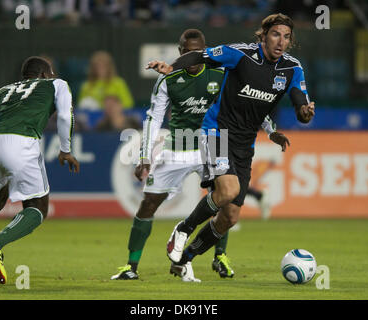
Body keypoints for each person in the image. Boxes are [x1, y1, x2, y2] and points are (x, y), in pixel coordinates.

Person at [111, 29, 290, 282]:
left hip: (216, 141)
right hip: (179, 147)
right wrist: (144, 157)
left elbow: (251, 104)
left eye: (196, 52)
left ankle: (220, 256)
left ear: (204, 52)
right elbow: (154, 118)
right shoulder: (168, 79)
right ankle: (131, 266)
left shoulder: (221, 72)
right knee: (149, 202)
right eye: (186, 53)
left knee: (225, 201)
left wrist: (271, 130)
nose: (191, 57)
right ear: (180, 53)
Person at [147, 13, 315, 281]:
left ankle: (185, 258)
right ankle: (183, 228)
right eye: (275, 34)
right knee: (229, 190)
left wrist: (305, 112)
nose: (280, 41)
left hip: (245, 143)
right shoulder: (240, 54)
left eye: (286, 37)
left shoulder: (292, 69)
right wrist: (172, 67)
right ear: (263, 35)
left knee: (230, 218)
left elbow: (300, 107)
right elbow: (198, 57)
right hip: (217, 130)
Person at [0, 56, 80, 287]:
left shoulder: (2, 92)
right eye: (50, 73)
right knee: (38, 207)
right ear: (44, 74)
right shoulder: (57, 84)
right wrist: (66, 149)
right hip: (21, 142)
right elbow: (64, 114)